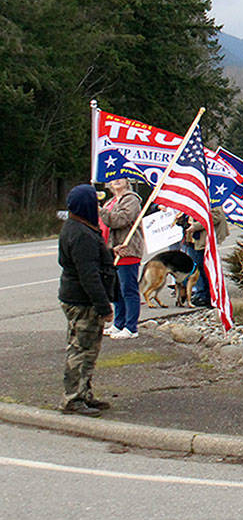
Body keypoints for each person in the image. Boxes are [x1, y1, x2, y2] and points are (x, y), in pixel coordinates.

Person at [58, 184, 117, 416]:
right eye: (96, 203)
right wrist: (104, 307)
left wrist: (110, 254)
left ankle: (84, 393)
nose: (99, 207)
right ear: (86, 206)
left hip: (84, 300)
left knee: (90, 350)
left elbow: (92, 262)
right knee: (79, 349)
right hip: (81, 302)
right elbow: (88, 275)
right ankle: (72, 398)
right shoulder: (80, 234)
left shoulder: (82, 228)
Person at [100, 178, 144, 338]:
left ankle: (131, 327)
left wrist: (100, 211)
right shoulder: (110, 201)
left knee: (128, 289)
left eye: (121, 178)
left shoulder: (131, 200)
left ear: (127, 182)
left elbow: (120, 220)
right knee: (116, 290)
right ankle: (119, 323)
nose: (116, 181)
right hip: (112, 250)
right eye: (113, 179)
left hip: (127, 250)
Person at [182, 206, 228, 307]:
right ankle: (201, 293)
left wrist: (196, 226)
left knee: (205, 268)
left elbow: (216, 217)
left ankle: (209, 296)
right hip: (192, 240)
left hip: (204, 240)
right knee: (196, 268)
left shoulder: (212, 198)